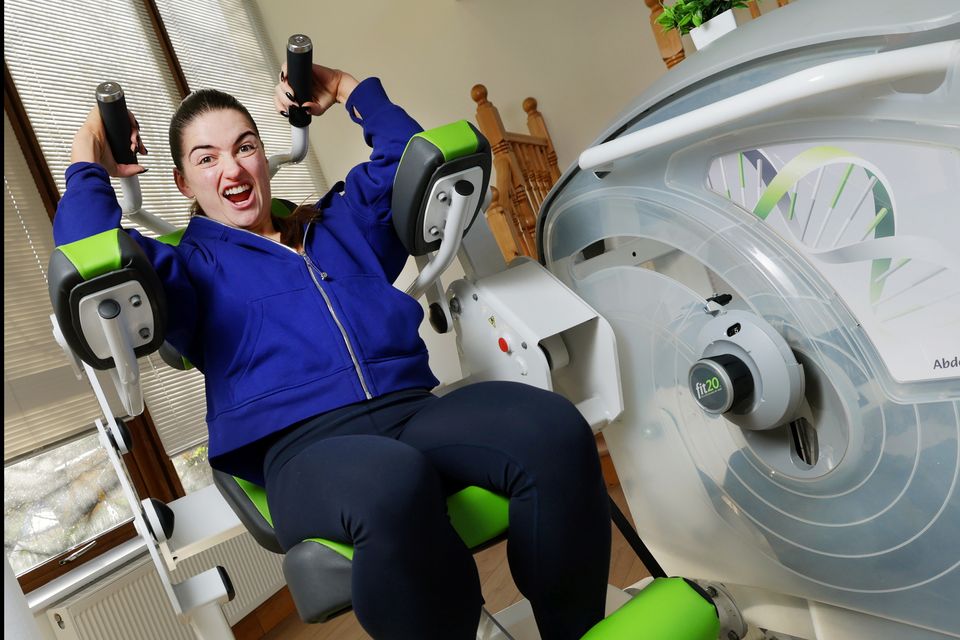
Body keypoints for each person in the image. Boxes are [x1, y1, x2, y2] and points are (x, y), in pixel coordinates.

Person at [54, 63, 611, 640]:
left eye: (245, 147)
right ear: (181, 182)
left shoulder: (338, 220)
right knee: (392, 481)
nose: (232, 168)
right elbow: (89, 252)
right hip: (302, 452)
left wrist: (347, 88)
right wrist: (90, 147)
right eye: (207, 158)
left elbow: (409, 156)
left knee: (554, 430)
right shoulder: (185, 267)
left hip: (412, 410)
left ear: (265, 156)